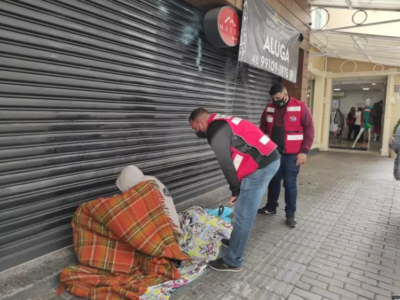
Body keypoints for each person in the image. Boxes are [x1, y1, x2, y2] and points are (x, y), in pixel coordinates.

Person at [189, 108, 280, 272]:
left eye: (195, 128)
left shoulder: (214, 131)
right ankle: (235, 241)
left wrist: (235, 190)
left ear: (200, 122)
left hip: (261, 166)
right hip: (266, 158)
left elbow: (227, 165)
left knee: (244, 214)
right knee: (242, 210)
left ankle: (233, 260)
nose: (196, 132)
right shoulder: (220, 121)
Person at [258, 83, 315, 227]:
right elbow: (262, 130)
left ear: (285, 94)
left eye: (278, 97)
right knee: (273, 182)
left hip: (292, 155)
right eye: (273, 98)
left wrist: (304, 151)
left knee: (290, 185)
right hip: (274, 154)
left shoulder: (301, 107)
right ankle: (271, 207)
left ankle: (290, 214)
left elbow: (309, 130)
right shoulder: (269, 108)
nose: (275, 101)